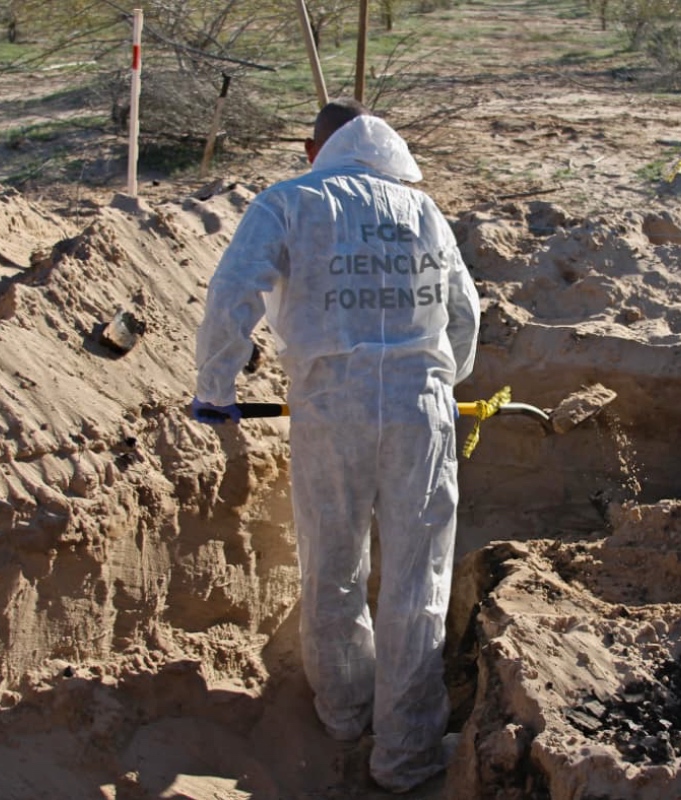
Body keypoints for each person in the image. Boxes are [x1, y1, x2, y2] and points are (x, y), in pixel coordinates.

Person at [190, 99, 480, 794]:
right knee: (419, 580)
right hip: (421, 409)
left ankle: (344, 716)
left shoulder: (290, 201)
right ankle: (406, 752)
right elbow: (464, 315)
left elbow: (236, 290)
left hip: (332, 404)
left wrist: (215, 387)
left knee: (334, 563)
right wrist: (442, 375)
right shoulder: (423, 212)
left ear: (317, 147)